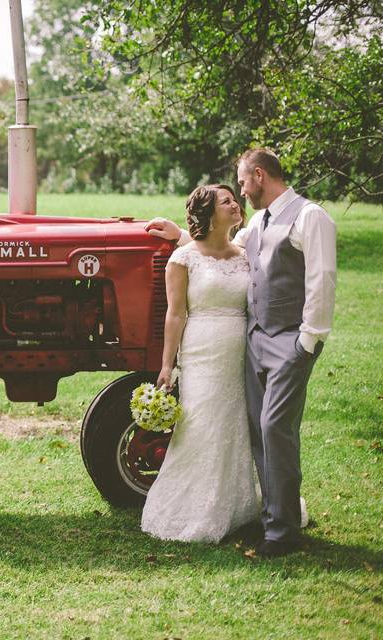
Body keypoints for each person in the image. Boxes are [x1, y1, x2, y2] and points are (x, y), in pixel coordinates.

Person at [146, 149, 336, 557]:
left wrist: (308, 340)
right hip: (234, 346)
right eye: (229, 197)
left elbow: (321, 280)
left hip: (280, 343)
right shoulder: (257, 225)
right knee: (245, 428)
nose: (240, 196)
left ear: (259, 176)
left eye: (241, 186)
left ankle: (280, 530)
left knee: (271, 428)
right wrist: (178, 233)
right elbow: (206, 254)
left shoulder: (299, 220)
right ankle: (266, 516)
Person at [141, 184, 260, 543]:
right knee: (201, 423)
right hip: (202, 352)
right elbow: (175, 315)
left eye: (235, 199)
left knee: (236, 423)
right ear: (208, 214)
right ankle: (193, 507)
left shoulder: (244, 253)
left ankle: (238, 504)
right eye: (227, 201)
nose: (236, 204)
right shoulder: (183, 260)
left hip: (242, 350)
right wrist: (167, 365)